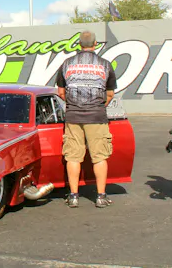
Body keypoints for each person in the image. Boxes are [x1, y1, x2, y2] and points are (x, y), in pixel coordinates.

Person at [55, 30, 117, 209]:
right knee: (100, 157)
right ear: (95, 44)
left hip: (73, 116)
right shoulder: (105, 64)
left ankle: (73, 196)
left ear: (79, 44)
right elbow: (110, 94)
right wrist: (99, 106)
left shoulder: (67, 64)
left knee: (73, 157)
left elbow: (61, 92)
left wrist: (74, 105)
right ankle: (101, 196)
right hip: (97, 116)